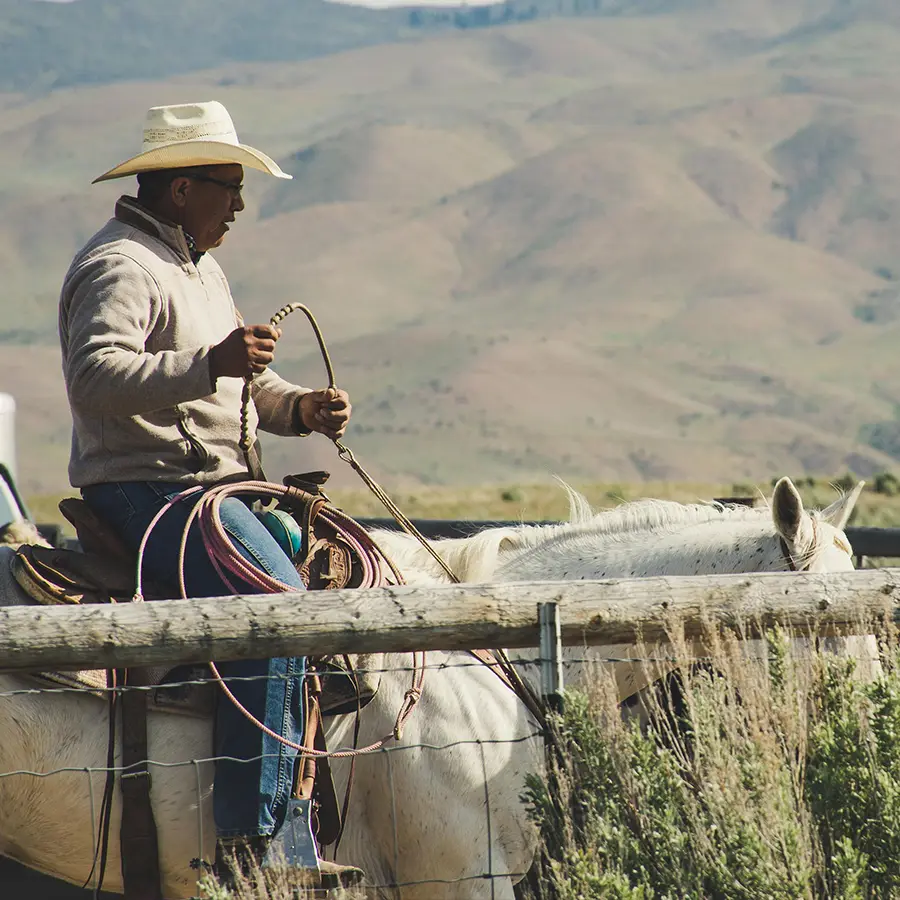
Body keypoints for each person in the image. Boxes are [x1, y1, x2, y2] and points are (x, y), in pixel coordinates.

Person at [57, 100, 356, 882]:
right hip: (145, 487)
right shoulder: (119, 264)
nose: (240, 204)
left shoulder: (198, 265)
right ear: (181, 187)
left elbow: (242, 381)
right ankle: (252, 846)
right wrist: (211, 363)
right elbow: (93, 379)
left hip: (208, 486)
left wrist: (300, 408)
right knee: (272, 605)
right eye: (229, 185)